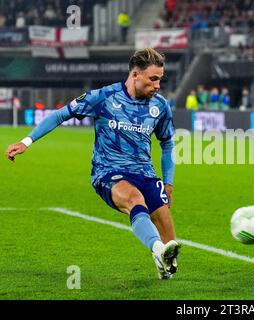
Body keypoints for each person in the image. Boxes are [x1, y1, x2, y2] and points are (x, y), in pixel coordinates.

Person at [6, 48, 181, 280]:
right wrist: (27, 141)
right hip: (109, 172)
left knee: (168, 231)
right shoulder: (103, 97)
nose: (158, 85)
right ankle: (157, 250)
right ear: (135, 75)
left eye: (160, 79)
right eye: (153, 79)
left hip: (145, 173)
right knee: (134, 200)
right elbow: (60, 115)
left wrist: (168, 183)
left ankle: (163, 262)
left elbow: (168, 144)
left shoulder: (160, 106)